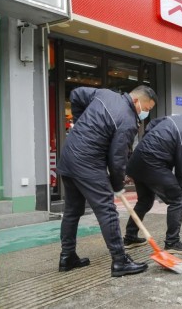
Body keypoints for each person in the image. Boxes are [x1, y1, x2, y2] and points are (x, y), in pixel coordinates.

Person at [56, 85, 156, 277]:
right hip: (88, 162)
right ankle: (120, 261)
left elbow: (75, 94)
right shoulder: (128, 120)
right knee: (107, 210)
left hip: (69, 156)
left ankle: (67, 256)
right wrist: (117, 186)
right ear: (136, 101)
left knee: (72, 210)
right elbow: (117, 159)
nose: (146, 113)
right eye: (147, 108)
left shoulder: (104, 94)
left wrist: (81, 124)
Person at [122, 106, 182, 255]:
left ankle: (130, 237)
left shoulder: (181, 118)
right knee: (177, 199)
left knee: (145, 201)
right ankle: (172, 242)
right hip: (152, 163)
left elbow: (152, 124)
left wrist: (151, 144)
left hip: (138, 160)